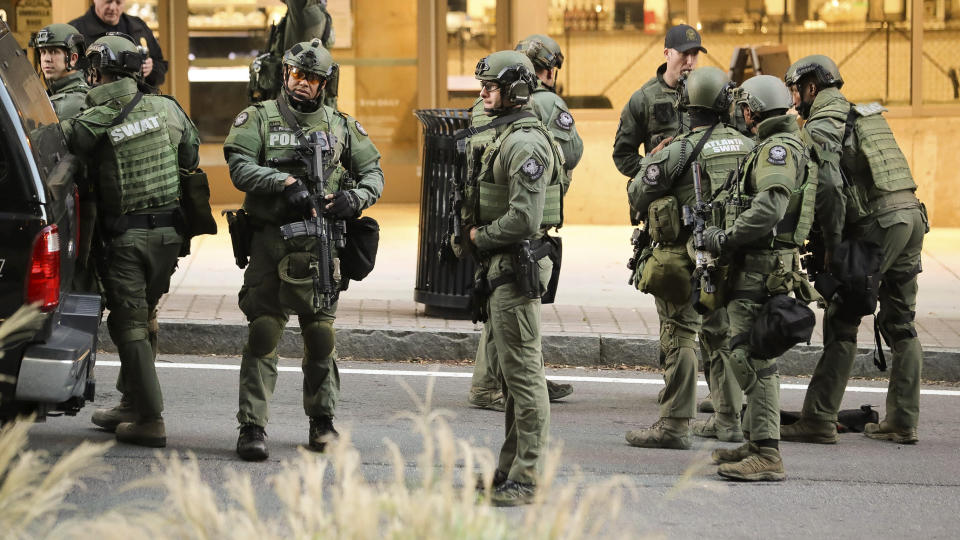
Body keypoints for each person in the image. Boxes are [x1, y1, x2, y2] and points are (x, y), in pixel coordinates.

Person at [223, 39, 384, 461]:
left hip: (321, 244)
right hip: (271, 242)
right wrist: (283, 183)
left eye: (312, 78)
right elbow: (239, 166)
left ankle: (322, 421)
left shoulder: (342, 125)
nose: (302, 83)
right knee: (264, 332)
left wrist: (356, 199)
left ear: (325, 84)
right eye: (296, 74)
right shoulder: (258, 118)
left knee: (321, 336)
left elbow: (374, 173)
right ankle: (252, 426)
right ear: (285, 74)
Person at [62, 33, 200, 447]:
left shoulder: (93, 119)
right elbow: (190, 158)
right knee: (146, 315)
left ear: (98, 69)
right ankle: (130, 401)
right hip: (170, 240)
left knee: (128, 324)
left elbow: (65, 157)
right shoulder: (169, 108)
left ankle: (150, 419)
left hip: (125, 241)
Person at [780, 55, 926, 445]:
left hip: (876, 225)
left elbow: (828, 187)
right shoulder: (865, 116)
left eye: (797, 90)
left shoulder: (823, 123)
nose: (795, 100)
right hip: (911, 218)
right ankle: (902, 421)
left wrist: (833, 243)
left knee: (842, 319)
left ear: (812, 88)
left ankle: (818, 419)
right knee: (901, 323)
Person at [625, 66, 753, 449]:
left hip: (686, 257)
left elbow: (637, 194)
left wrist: (655, 158)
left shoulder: (680, 149)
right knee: (723, 333)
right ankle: (729, 421)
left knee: (680, 334)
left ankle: (674, 425)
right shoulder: (749, 147)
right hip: (732, 253)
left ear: (686, 104)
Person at [464, 50, 562, 506]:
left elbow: (524, 219)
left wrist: (478, 236)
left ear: (517, 89)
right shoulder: (505, 134)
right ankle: (509, 469)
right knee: (510, 375)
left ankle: (526, 478)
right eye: (483, 84)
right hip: (502, 266)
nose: (483, 92)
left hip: (514, 264)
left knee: (524, 376)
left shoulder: (525, 144)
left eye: (492, 85)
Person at [705, 75, 813, 481]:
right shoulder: (772, 145)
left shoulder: (779, 149)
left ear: (753, 110)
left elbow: (770, 207)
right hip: (756, 265)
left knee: (751, 356)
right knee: (745, 350)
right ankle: (755, 440)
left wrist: (727, 236)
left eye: (744, 106)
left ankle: (768, 454)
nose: (740, 113)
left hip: (762, 267)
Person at [467, 33, 580, 411]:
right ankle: (511, 385)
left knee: (505, 310)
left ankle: (504, 381)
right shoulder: (543, 108)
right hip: (516, 229)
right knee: (516, 310)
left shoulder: (481, 108)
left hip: (494, 221)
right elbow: (571, 151)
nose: (485, 93)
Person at [612, 24, 704, 178]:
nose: (689, 61)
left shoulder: (708, 93)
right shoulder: (643, 99)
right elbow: (623, 156)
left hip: (703, 193)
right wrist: (652, 165)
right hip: (665, 194)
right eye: (684, 53)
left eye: (694, 54)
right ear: (667, 54)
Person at [70, 0, 168, 88]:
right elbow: (67, 75)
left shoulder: (139, 27)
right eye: (108, 1)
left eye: (118, 2)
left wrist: (151, 69)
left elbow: (162, 67)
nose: (113, 8)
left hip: (137, 101)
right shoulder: (75, 31)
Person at [31, 23, 89, 120]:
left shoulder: (64, 106)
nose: (46, 59)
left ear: (73, 59)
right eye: (43, 52)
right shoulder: (78, 87)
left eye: (54, 52)